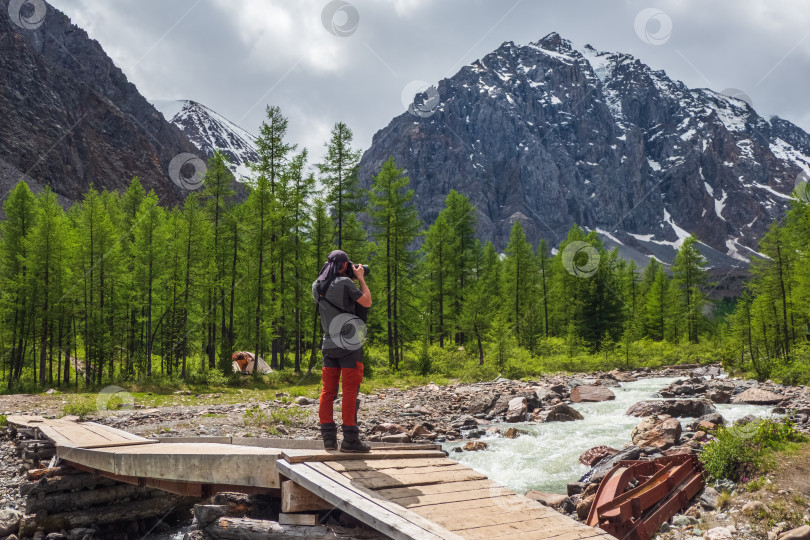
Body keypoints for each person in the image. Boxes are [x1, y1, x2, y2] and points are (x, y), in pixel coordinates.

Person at [312, 250, 372, 453]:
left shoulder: (316, 286)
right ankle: (350, 440)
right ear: (344, 265)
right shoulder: (346, 284)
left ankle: (328, 439)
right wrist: (361, 279)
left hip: (328, 344)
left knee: (327, 391)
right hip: (349, 345)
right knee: (349, 391)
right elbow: (366, 301)